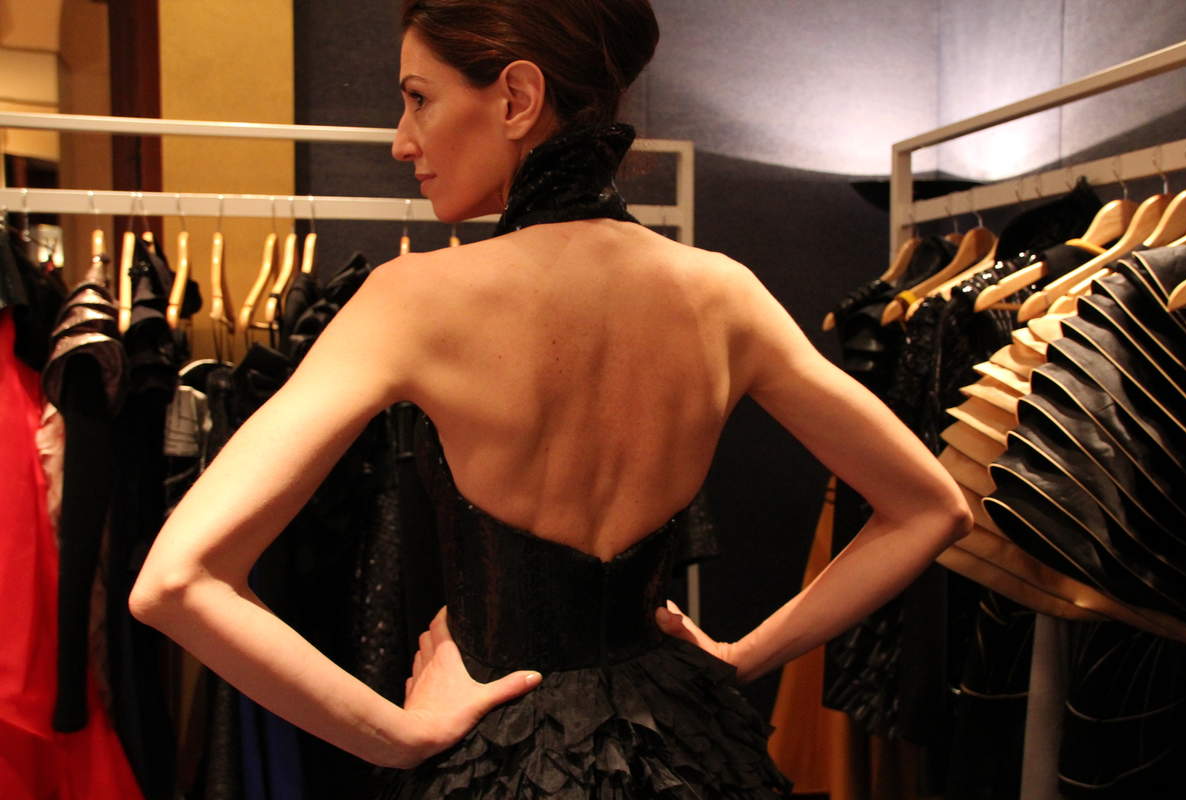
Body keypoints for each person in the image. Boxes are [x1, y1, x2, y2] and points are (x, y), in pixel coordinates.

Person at [130, 0, 972, 797]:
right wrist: (738, 660)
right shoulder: (726, 295)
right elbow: (932, 509)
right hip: (687, 748)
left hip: (496, 762)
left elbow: (174, 581)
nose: (400, 141)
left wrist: (397, 736)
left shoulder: (411, 300)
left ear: (518, 98)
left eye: (418, 99)